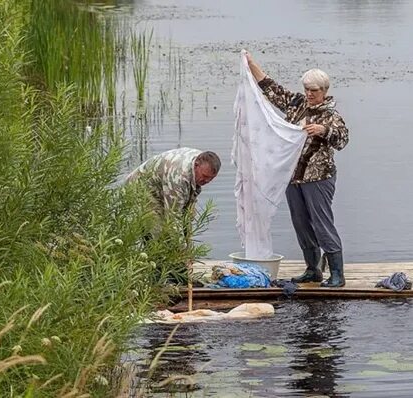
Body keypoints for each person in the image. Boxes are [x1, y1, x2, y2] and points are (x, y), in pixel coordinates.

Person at [246, 51, 349, 288]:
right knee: (300, 222)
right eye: (307, 90)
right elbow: (272, 89)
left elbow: (343, 141)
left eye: (314, 90)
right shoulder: (297, 105)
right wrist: (251, 65)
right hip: (292, 177)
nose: (309, 94)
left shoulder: (331, 115)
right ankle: (313, 270)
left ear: (324, 90)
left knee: (322, 222)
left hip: (318, 178)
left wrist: (324, 131)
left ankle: (337, 273)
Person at [125, 147, 221, 222]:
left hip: (164, 184)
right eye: (204, 176)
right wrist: (182, 246)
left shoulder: (204, 161)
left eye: (211, 178)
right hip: (142, 187)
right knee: (157, 232)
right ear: (196, 165)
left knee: (188, 217)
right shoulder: (179, 176)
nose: (207, 181)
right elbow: (173, 217)